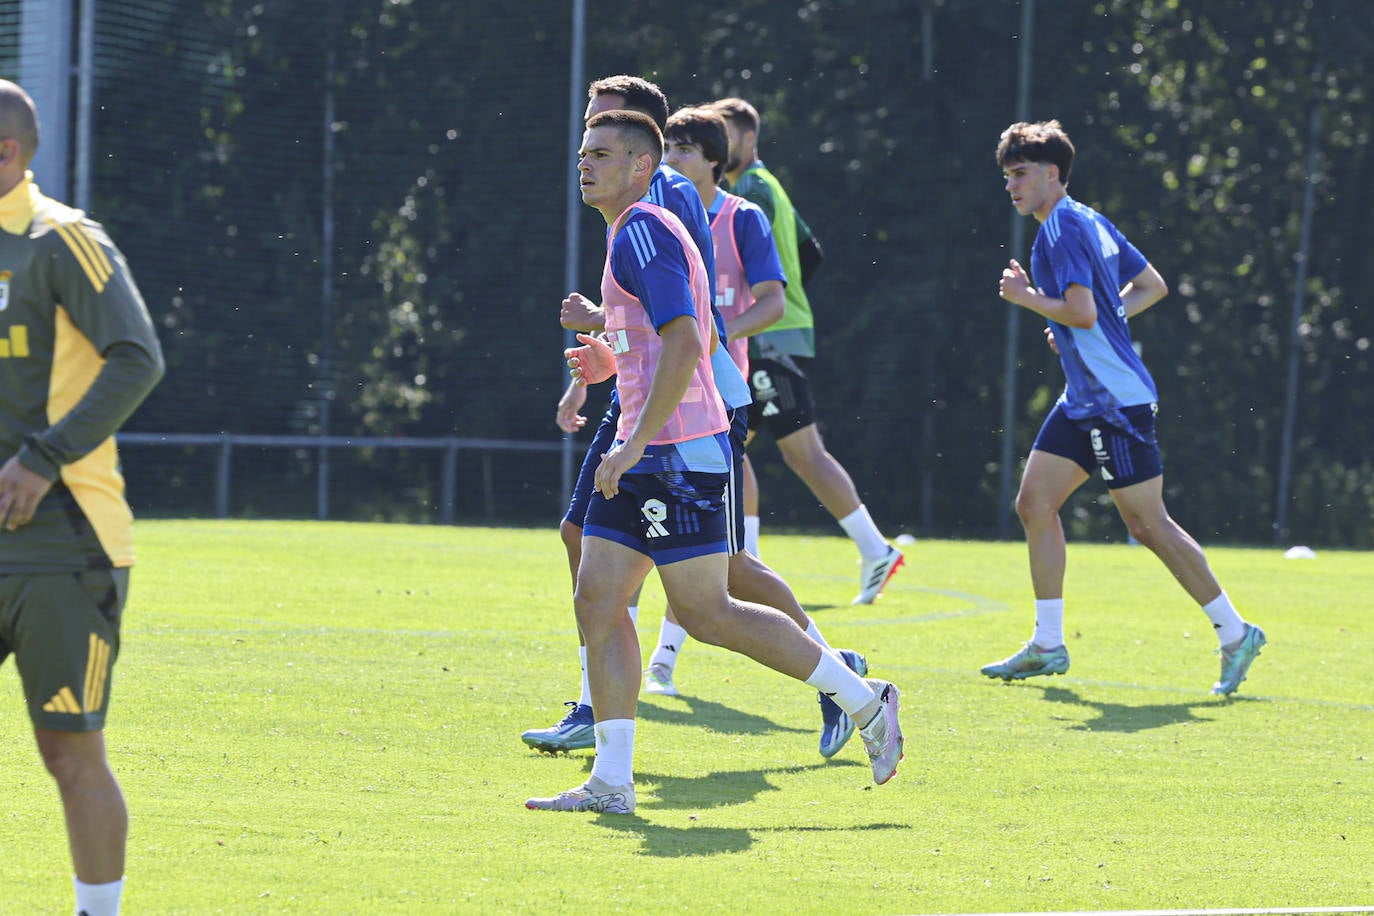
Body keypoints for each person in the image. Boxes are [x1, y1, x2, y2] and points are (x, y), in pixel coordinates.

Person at [525, 110, 902, 813]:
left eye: (602, 154)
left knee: (709, 613)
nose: (586, 164)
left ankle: (863, 699)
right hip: (643, 447)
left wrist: (634, 442)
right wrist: (610, 359)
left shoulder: (642, 228)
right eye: (582, 153)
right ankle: (611, 781)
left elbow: (687, 339)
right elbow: (654, 339)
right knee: (597, 599)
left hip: (676, 453)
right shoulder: (631, 230)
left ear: (641, 165)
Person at [983, 119, 1266, 696]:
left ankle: (1236, 634)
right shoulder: (1087, 218)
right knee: (1036, 503)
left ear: (1051, 174)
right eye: (1007, 175)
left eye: (1020, 174)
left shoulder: (1059, 230)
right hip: (1084, 398)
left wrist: (1029, 300)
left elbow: (1083, 311)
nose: (1011, 185)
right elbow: (1148, 287)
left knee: (1148, 524)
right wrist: (1083, 326)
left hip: (1114, 403)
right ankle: (1048, 644)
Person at [0, 80, 165, 915]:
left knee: (69, 753)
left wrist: (41, 459)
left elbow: (137, 358)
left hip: (66, 548)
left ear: (8, 152)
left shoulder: (63, 240)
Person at [710, 97, 903, 605]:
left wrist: (772, 304)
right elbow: (811, 251)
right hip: (777, 333)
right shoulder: (767, 185)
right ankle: (746, 561)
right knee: (733, 446)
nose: (717, 144)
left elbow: (766, 258)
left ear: (749, 139)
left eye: (724, 133)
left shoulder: (748, 190)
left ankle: (872, 548)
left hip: (768, 339)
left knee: (798, 452)